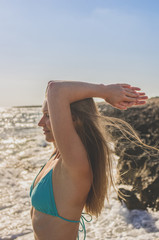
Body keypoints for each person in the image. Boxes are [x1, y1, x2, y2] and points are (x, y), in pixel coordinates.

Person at [30, 81, 148, 240]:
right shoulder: (57, 155)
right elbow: (53, 87)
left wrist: (105, 91)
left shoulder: (75, 162)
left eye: (48, 115)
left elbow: (55, 89)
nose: (40, 123)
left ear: (74, 119)